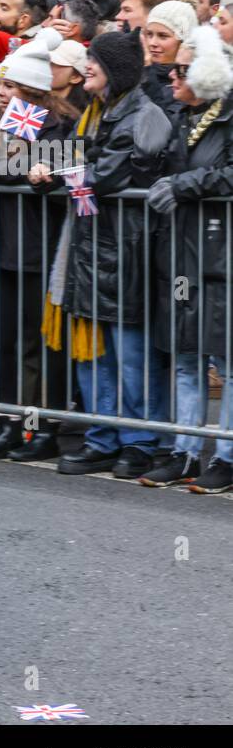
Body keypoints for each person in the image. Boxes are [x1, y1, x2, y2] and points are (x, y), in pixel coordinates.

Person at [33, 30, 173, 477]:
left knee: (132, 357)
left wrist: (53, 172)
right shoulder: (91, 114)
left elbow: (106, 175)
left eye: (95, 61)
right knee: (93, 354)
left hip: (127, 250)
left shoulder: (144, 116)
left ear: (117, 70)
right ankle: (101, 436)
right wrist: (41, 169)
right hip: (90, 246)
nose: (87, 67)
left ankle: (140, 441)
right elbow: (75, 164)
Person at [0, 30, 77, 461]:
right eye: (1, 85)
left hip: (38, 248)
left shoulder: (62, 122)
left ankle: (39, 428)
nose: (0, 94)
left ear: (31, 90)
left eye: (9, 87)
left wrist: (2, 168)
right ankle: (5, 425)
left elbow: (58, 171)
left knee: (35, 345)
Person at [144, 25, 233, 491]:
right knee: (185, 355)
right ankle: (183, 451)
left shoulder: (230, 116)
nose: (171, 77)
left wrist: (185, 186)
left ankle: (226, 456)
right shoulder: (176, 115)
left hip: (222, 254)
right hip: (179, 251)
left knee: (226, 357)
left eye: (181, 69)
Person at [141, 0, 198, 114]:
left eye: (163, 36)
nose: (152, 42)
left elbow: (163, 123)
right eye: (149, 34)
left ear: (183, 39)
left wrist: (147, 73)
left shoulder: (190, 80)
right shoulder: (140, 72)